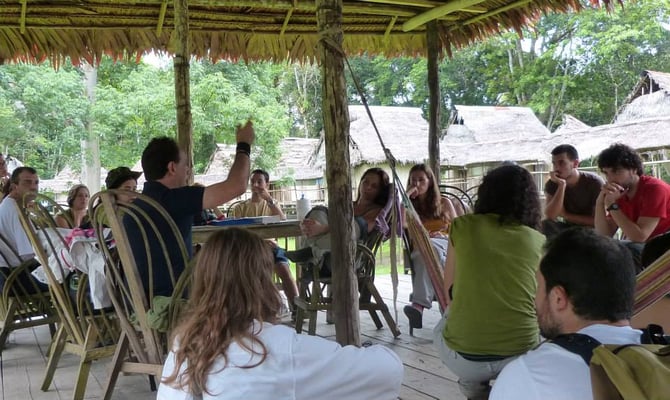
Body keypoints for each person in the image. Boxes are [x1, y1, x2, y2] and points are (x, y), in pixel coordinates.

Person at [158, 227, 403, 400]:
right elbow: (388, 372)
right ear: (262, 281)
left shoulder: (183, 343)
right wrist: (368, 349)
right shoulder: (278, 347)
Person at [434, 164, 545, 400]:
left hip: (463, 357)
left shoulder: (462, 227)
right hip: (521, 354)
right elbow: (540, 302)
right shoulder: (538, 241)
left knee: (445, 321)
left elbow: (449, 292)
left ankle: (473, 385)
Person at [490, 228, 641, 400]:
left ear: (558, 298)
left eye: (538, 288)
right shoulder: (659, 353)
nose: (534, 300)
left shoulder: (528, 375)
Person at [126, 121, 254, 297]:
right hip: (176, 301)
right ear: (172, 168)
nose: (188, 170)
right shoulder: (174, 199)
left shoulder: (134, 208)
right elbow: (237, 186)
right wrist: (244, 145)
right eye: (185, 164)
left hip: (138, 303)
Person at [228, 169, 297, 309]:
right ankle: (250, 308)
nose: (255, 185)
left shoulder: (272, 204)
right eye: (252, 181)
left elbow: (282, 220)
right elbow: (236, 234)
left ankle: (296, 308)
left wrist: (269, 200)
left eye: (259, 182)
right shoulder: (240, 207)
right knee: (245, 271)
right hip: (248, 249)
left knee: (284, 269)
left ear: (267, 184)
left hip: (271, 247)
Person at [594, 143, 670, 268]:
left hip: (663, 247)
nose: (610, 179)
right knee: (597, 249)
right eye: (606, 173)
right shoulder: (620, 193)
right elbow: (604, 235)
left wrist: (612, 205)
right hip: (647, 248)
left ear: (634, 169)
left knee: (620, 252)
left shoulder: (654, 189)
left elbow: (640, 236)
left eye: (616, 171)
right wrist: (600, 202)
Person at [403, 163, 457, 332]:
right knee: (428, 254)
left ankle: (418, 305)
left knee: (432, 251)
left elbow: (459, 228)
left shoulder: (445, 203)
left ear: (430, 182)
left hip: (445, 243)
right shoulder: (409, 207)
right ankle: (447, 308)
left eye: (421, 180)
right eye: (413, 180)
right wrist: (407, 196)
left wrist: (441, 235)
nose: (417, 184)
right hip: (422, 247)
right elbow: (402, 224)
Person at [542, 144, 604, 240]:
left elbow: (598, 221)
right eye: (554, 164)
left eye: (562, 163)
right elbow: (550, 216)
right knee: (546, 225)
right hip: (568, 228)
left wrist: (566, 216)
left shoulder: (595, 182)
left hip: (591, 230)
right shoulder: (553, 183)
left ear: (575, 164)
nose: (556, 168)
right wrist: (561, 185)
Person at [0, 167, 46, 293]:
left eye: (36, 182)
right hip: (14, 277)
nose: (33, 187)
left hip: (10, 275)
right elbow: (28, 254)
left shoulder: (8, 205)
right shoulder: (15, 210)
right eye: (27, 182)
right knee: (71, 279)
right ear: (14, 186)